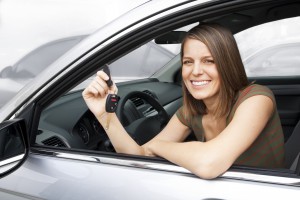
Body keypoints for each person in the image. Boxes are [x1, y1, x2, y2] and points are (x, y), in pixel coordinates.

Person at [82, 23, 285, 179]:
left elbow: (209, 164)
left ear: (227, 64)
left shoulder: (257, 98)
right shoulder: (191, 111)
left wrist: (158, 147)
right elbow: (139, 156)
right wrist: (105, 115)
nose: (195, 71)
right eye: (188, 62)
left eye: (209, 61)